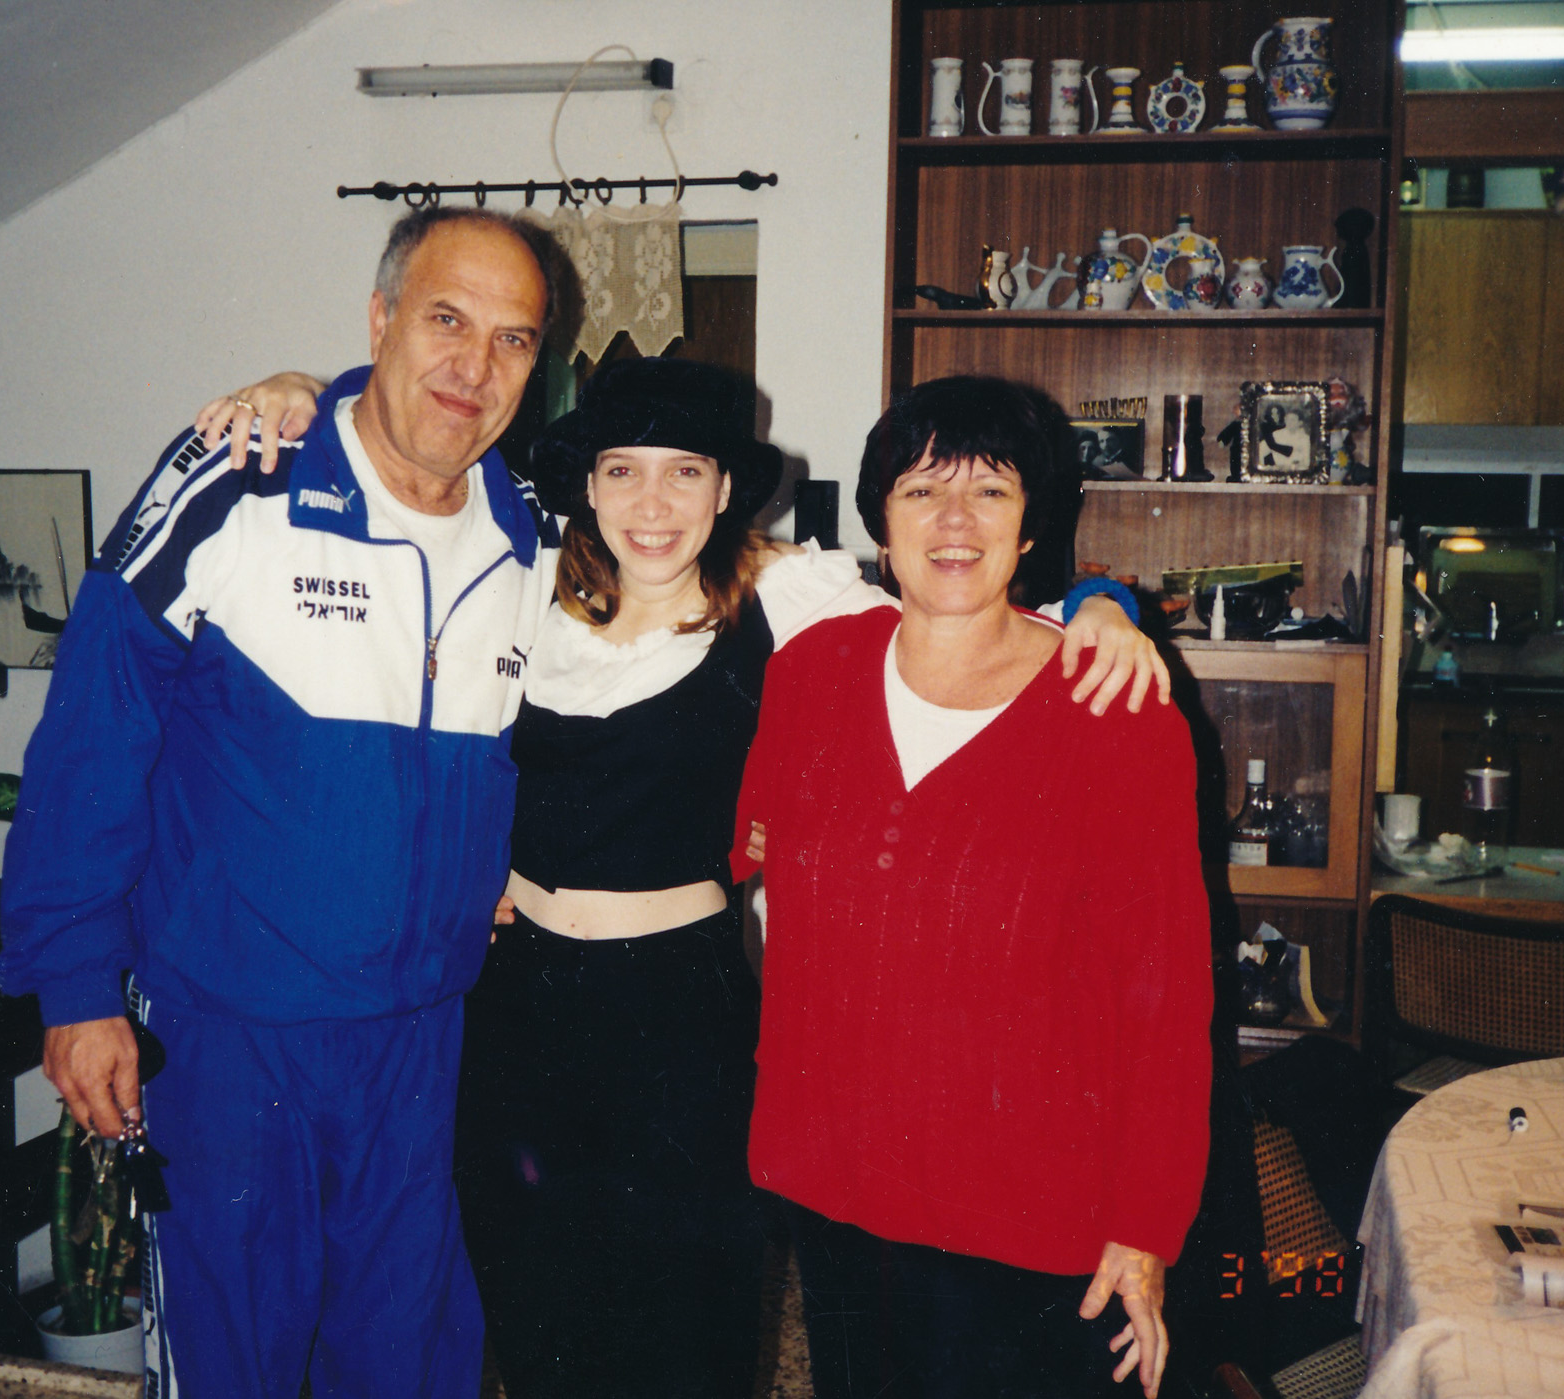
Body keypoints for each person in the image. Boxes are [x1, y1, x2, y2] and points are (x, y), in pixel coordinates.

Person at [204, 357, 1170, 1398]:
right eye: (622, 471)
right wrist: (310, 392)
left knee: (686, 1333)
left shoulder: (787, 601)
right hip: (519, 1013)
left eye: (684, 472)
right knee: (535, 1320)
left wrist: (1102, 604)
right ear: (586, 486)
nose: (652, 504)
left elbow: (957, 604)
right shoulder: (522, 597)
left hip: (680, 1013)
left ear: (724, 489)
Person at [0, 206, 564, 1399]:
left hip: (423, 1037)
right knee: (232, 1361)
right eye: (446, 319)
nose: (473, 365)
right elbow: (92, 739)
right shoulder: (240, 480)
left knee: (412, 1358)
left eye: (512, 339)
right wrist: (76, 987)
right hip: (229, 1028)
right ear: (380, 319)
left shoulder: (533, 539)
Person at [730, 376, 1212, 1399]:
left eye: (989, 491)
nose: (953, 520)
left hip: (1031, 1212)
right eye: (920, 491)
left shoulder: (1114, 708)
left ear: (1030, 522)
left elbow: (1164, 998)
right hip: (834, 1184)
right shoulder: (810, 671)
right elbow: (745, 848)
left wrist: (1144, 1226)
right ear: (881, 521)